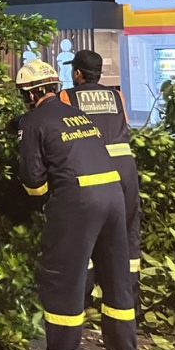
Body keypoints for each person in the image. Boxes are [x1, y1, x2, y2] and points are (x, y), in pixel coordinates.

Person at [15, 60, 138, 350]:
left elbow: (34, 183)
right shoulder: (78, 116)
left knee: (64, 277)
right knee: (116, 277)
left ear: (29, 94)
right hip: (114, 196)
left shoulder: (33, 121)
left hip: (78, 202)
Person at [59, 50, 141, 309]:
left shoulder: (67, 97)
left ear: (78, 73)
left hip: (94, 169)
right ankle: (129, 301)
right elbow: (124, 127)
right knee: (127, 236)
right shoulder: (117, 96)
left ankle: (82, 298)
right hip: (126, 171)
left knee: (85, 234)